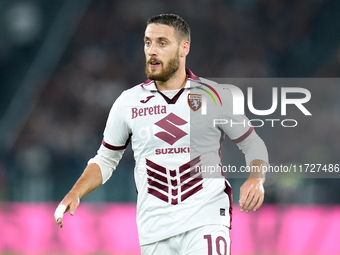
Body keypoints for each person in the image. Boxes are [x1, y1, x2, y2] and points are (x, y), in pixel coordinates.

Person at [54, 13, 268, 255]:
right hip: (154, 229)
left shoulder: (213, 95)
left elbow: (252, 144)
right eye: (148, 42)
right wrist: (75, 192)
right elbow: (105, 159)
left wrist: (256, 178)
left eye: (162, 43)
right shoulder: (128, 102)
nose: (152, 50)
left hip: (205, 220)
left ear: (183, 48)